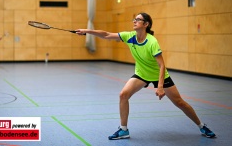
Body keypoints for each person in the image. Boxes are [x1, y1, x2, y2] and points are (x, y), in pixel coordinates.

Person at [75, 12, 216, 139]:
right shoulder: (129, 36)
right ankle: (123, 130)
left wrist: (160, 86)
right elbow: (106, 34)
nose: (134, 21)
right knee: (123, 95)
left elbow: (162, 66)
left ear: (146, 24)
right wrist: (86, 31)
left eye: (138, 19)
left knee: (180, 103)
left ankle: (201, 125)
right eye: (134, 19)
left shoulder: (152, 42)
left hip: (158, 75)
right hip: (141, 74)